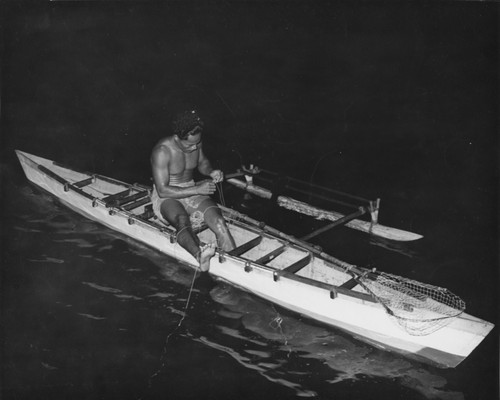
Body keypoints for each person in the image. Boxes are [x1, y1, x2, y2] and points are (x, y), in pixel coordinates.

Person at [150, 110, 236, 272]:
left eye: (198, 143)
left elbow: (202, 163)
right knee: (182, 220)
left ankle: (234, 264)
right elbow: (162, 190)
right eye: (190, 144)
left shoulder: (195, 142)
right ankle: (200, 257)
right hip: (168, 196)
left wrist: (211, 171)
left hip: (191, 188)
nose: (195, 147)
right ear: (177, 138)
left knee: (219, 221)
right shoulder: (162, 151)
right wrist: (197, 188)